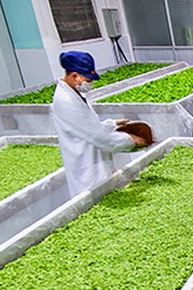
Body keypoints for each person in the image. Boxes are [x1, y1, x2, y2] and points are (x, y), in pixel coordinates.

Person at [51, 50, 147, 201]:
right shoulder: (66, 101)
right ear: (75, 76)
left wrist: (112, 124)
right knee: (95, 202)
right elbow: (99, 138)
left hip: (95, 161)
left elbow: (88, 127)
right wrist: (132, 140)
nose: (90, 83)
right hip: (87, 171)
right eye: (88, 79)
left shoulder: (75, 94)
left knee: (108, 195)